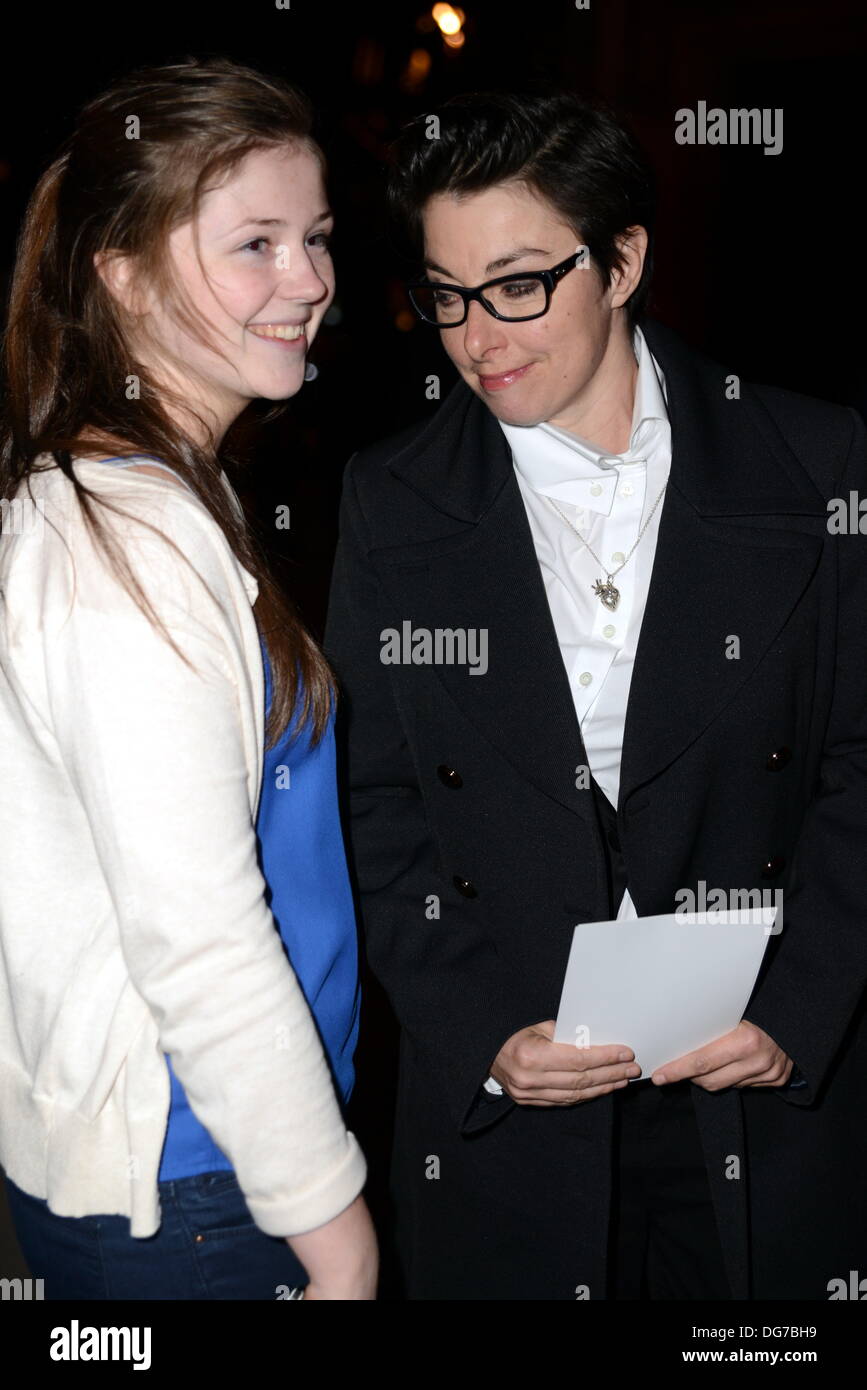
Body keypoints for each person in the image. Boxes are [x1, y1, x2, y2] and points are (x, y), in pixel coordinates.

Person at [323, 89, 867, 1300]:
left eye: (520, 283)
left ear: (623, 260)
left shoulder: (815, 461)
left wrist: (799, 1000)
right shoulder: (392, 497)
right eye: (445, 293)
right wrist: (479, 1032)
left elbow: (857, 762)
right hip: (522, 1105)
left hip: (762, 1091)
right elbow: (374, 806)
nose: (477, 336)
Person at [0, 57, 377, 1300]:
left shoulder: (155, 494)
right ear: (121, 274)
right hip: (197, 1190)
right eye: (254, 245)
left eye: (314, 238)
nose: (310, 281)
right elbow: (199, 933)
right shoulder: (130, 537)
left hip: (203, 1171)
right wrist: (336, 1230)